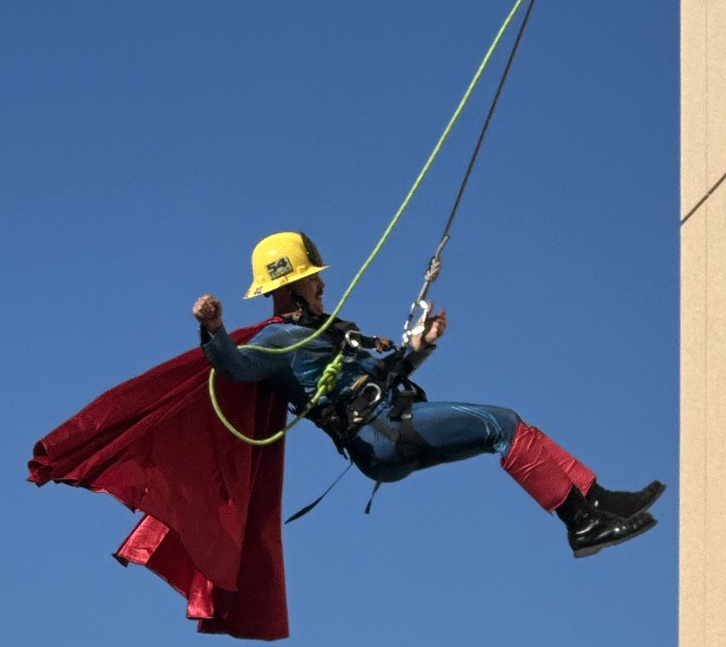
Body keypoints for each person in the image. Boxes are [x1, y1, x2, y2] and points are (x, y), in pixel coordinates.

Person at [194, 231, 664, 558]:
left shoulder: (326, 330)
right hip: (380, 435)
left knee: (514, 424)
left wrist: (418, 348)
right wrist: (213, 329)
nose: (322, 284)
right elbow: (236, 366)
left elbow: (380, 374)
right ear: (292, 284)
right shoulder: (277, 341)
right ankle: (581, 525)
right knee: (502, 426)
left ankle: (597, 500)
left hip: (389, 424)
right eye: (313, 278)